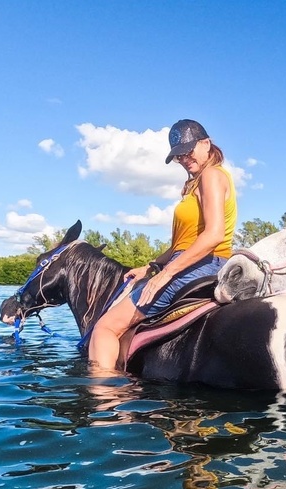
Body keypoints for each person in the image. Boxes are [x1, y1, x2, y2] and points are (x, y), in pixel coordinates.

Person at [89, 119, 238, 369]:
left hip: (199, 264)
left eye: (188, 151)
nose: (184, 159)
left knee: (104, 328)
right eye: (179, 156)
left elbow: (213, 235)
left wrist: (164, 275)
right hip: (194, 260)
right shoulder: (198, 182)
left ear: (206, 143)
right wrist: (151, 267)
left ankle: (106, 399)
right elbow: (181, 243)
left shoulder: (211, 175)